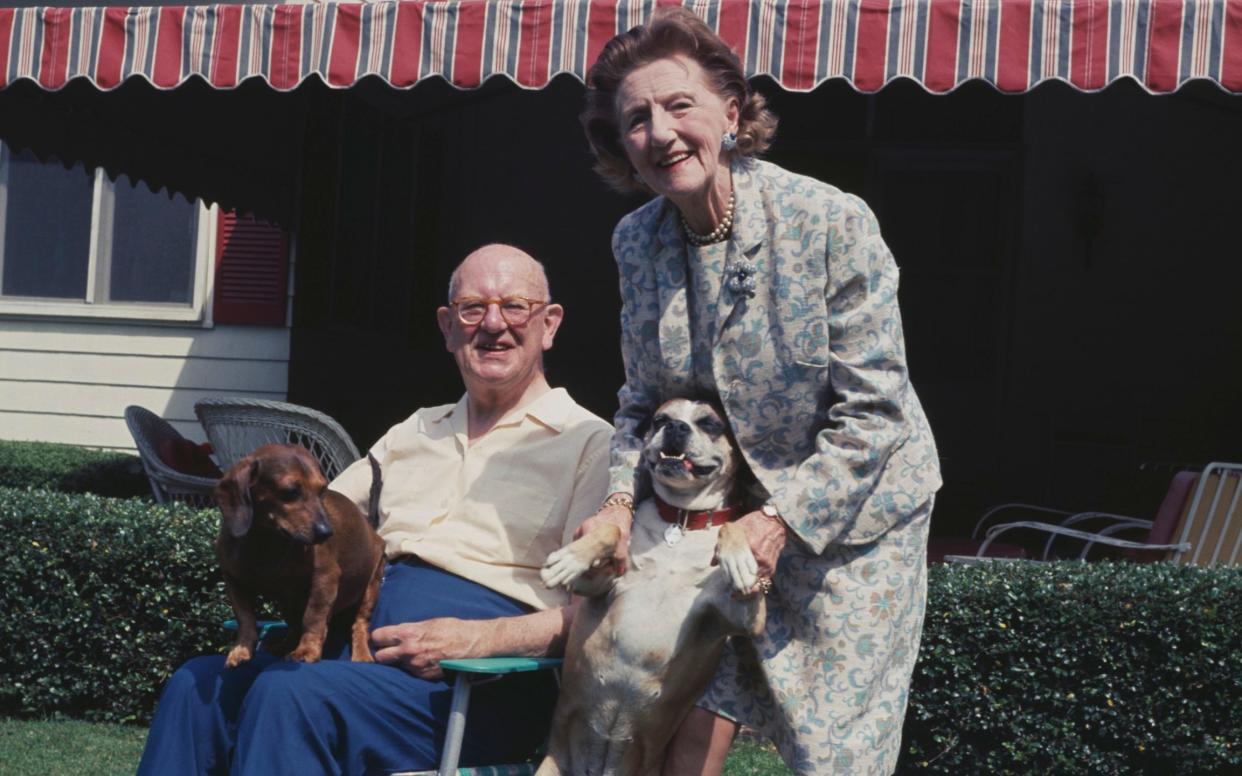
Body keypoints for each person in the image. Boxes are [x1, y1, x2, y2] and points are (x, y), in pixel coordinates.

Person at [574, 8, 943, 776]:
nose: (660, 131)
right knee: (679, 714)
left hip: (856, 524)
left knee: (834, 752)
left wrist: (778, 522)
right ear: (621, 146)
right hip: (727, 523)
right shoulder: (635, 242)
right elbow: (642, 405)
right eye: (635, 119)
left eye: (680, 105)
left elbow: (874, 412)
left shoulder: (832, 221)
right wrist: (616, 507)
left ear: (731, 112)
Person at [137, 243, 612, 775]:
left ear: (549, 324)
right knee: (195, 687)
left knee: (290, 695)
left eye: (515, 306)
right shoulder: (414, 430)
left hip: (477, 682)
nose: (493, 324)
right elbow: (324, 513)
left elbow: (606, 614)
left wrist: (480, 637)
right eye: (472, 308)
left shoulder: (591, 444)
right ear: (448, 327)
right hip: (356, 651)